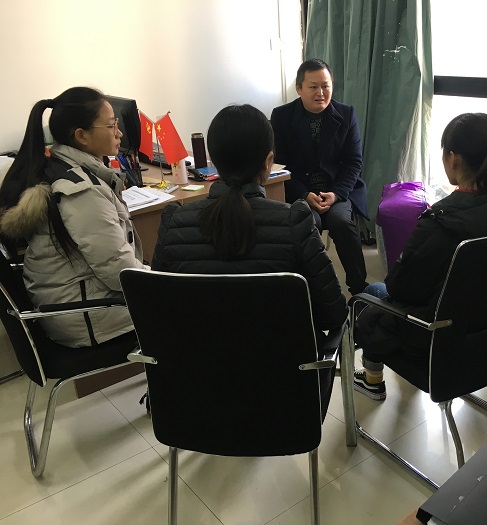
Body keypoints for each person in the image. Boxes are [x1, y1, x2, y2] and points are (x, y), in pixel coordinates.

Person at [151, 104, 348, 419]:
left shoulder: (174, 221)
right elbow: (334, 313)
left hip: (197, 397)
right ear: (268, 161)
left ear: (213, 161)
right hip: (285, 397)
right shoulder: (295, 220)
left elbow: (159, 314)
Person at [353, 113, 487, 400]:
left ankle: (371, 379)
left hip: (442, 345)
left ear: (454, 159)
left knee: (370, 294)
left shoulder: (442, 222)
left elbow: (400, 289)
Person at [0, 87, 148, 348]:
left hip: (73, 304)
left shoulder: (60, 167)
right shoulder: (82, 191)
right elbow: (118, 270)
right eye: (111, 125)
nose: (119, 133)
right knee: (193, 304)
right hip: (88, 318)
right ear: (81, 135)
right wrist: (162, 281)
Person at [270, 58, 369, 295]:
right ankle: (313, 291)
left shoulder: (346, 114)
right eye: (313, 87)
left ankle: (359, 289)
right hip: (299, 189)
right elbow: (278, 165)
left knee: (342, 222)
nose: (321, 93)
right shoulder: (282, 116)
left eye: (326, 86)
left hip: (336, 189)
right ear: (299, 88)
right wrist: (303, 193)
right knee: (308, 224)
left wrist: (336, 194)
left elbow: (353, 162)